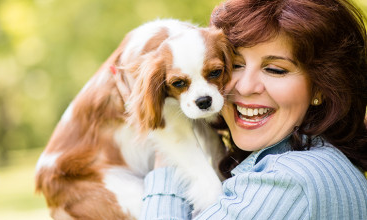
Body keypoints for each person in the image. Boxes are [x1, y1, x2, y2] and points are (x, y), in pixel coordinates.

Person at [113, 0, 367, 219]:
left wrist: (168, 143)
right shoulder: (319, 158)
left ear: (321, 88)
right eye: (234, 65)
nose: (244, 87)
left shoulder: (290, 182)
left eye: (276, 69)